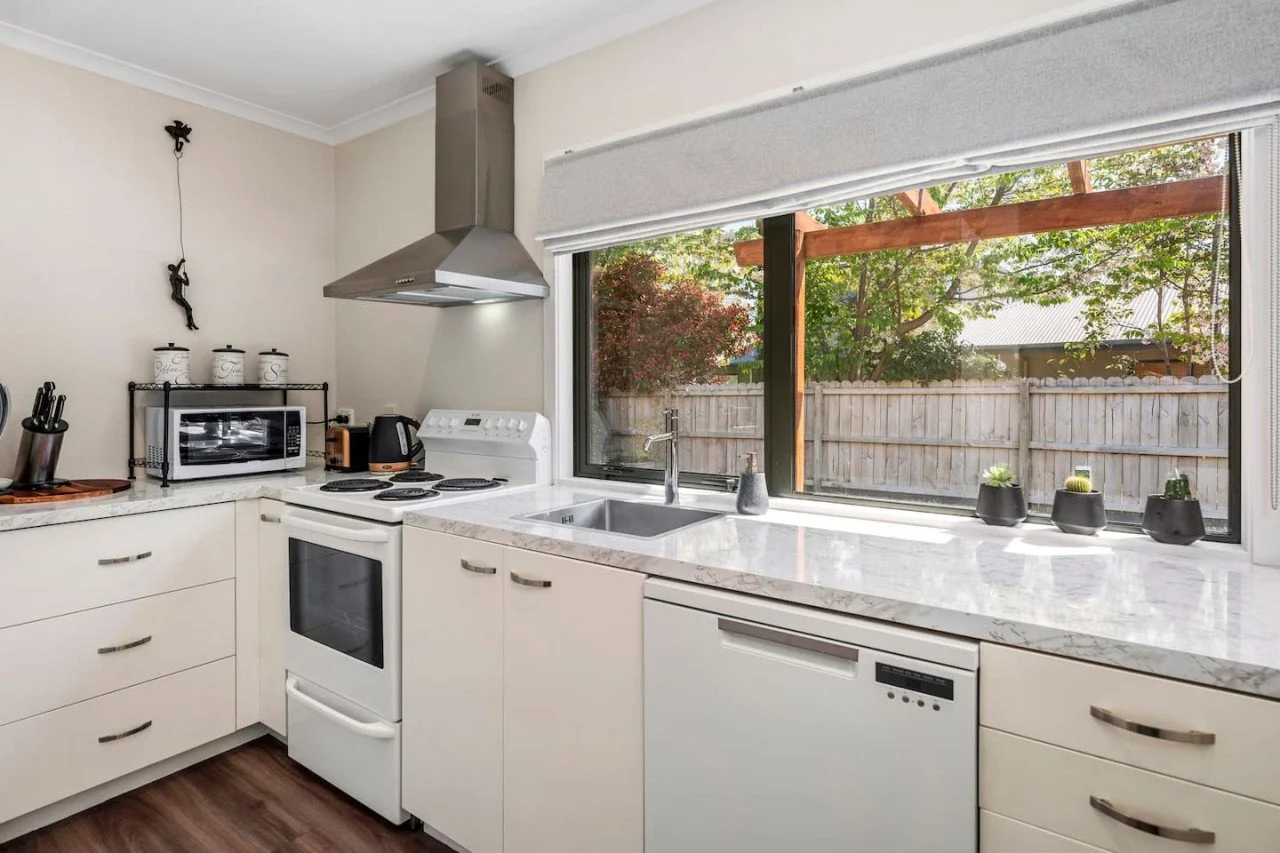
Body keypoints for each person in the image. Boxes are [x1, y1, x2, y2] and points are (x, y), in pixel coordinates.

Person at [167, 258, 198, 331]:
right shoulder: (174, 275)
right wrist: (181, 262)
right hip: (178, 295)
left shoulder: (175, 276)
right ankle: (191, 323)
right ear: (173, 269)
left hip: (175, 295)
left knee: (188, 309)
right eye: (174, 267)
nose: (175, 267)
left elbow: (186, 283)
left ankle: (190, 323)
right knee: (189, 308)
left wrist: (185, 275)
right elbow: (186, 282)